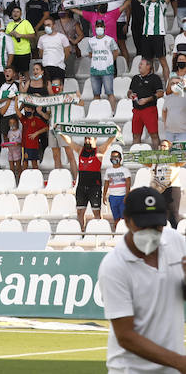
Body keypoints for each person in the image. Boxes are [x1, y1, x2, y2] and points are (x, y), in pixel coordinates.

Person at [98, 187, 186, 371]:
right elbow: (126, 336)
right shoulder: (114, 266)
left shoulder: (175, 241)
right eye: (143, 225)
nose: (151, 232)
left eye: (156, 226)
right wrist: (179, 361)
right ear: (127, 221)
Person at [130, 57, 166, 146]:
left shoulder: (155, 78)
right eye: (139, 64)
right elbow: (130, 91)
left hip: (149, 109)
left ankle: (157, 156)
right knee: (135, 135)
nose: (139, 66)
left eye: (141, 64)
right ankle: (136, 156)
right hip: (136, 109)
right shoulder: (135, 78)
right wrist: (130, 94)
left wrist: (147, 99)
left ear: (148, 66)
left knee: (153, 134)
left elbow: (160, 93)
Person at [103, 149, 130, 224]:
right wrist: (104, 195)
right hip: (113, 197)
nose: (114, 159)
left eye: (116, 157)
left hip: (122, 196)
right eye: (112, 157)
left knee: (124, 218)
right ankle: (116, 233)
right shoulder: (108, 170)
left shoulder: (125, 170)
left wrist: (127, 195)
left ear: (120, 159)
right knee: (116, 218)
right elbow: (106, 183)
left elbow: (128, 183)